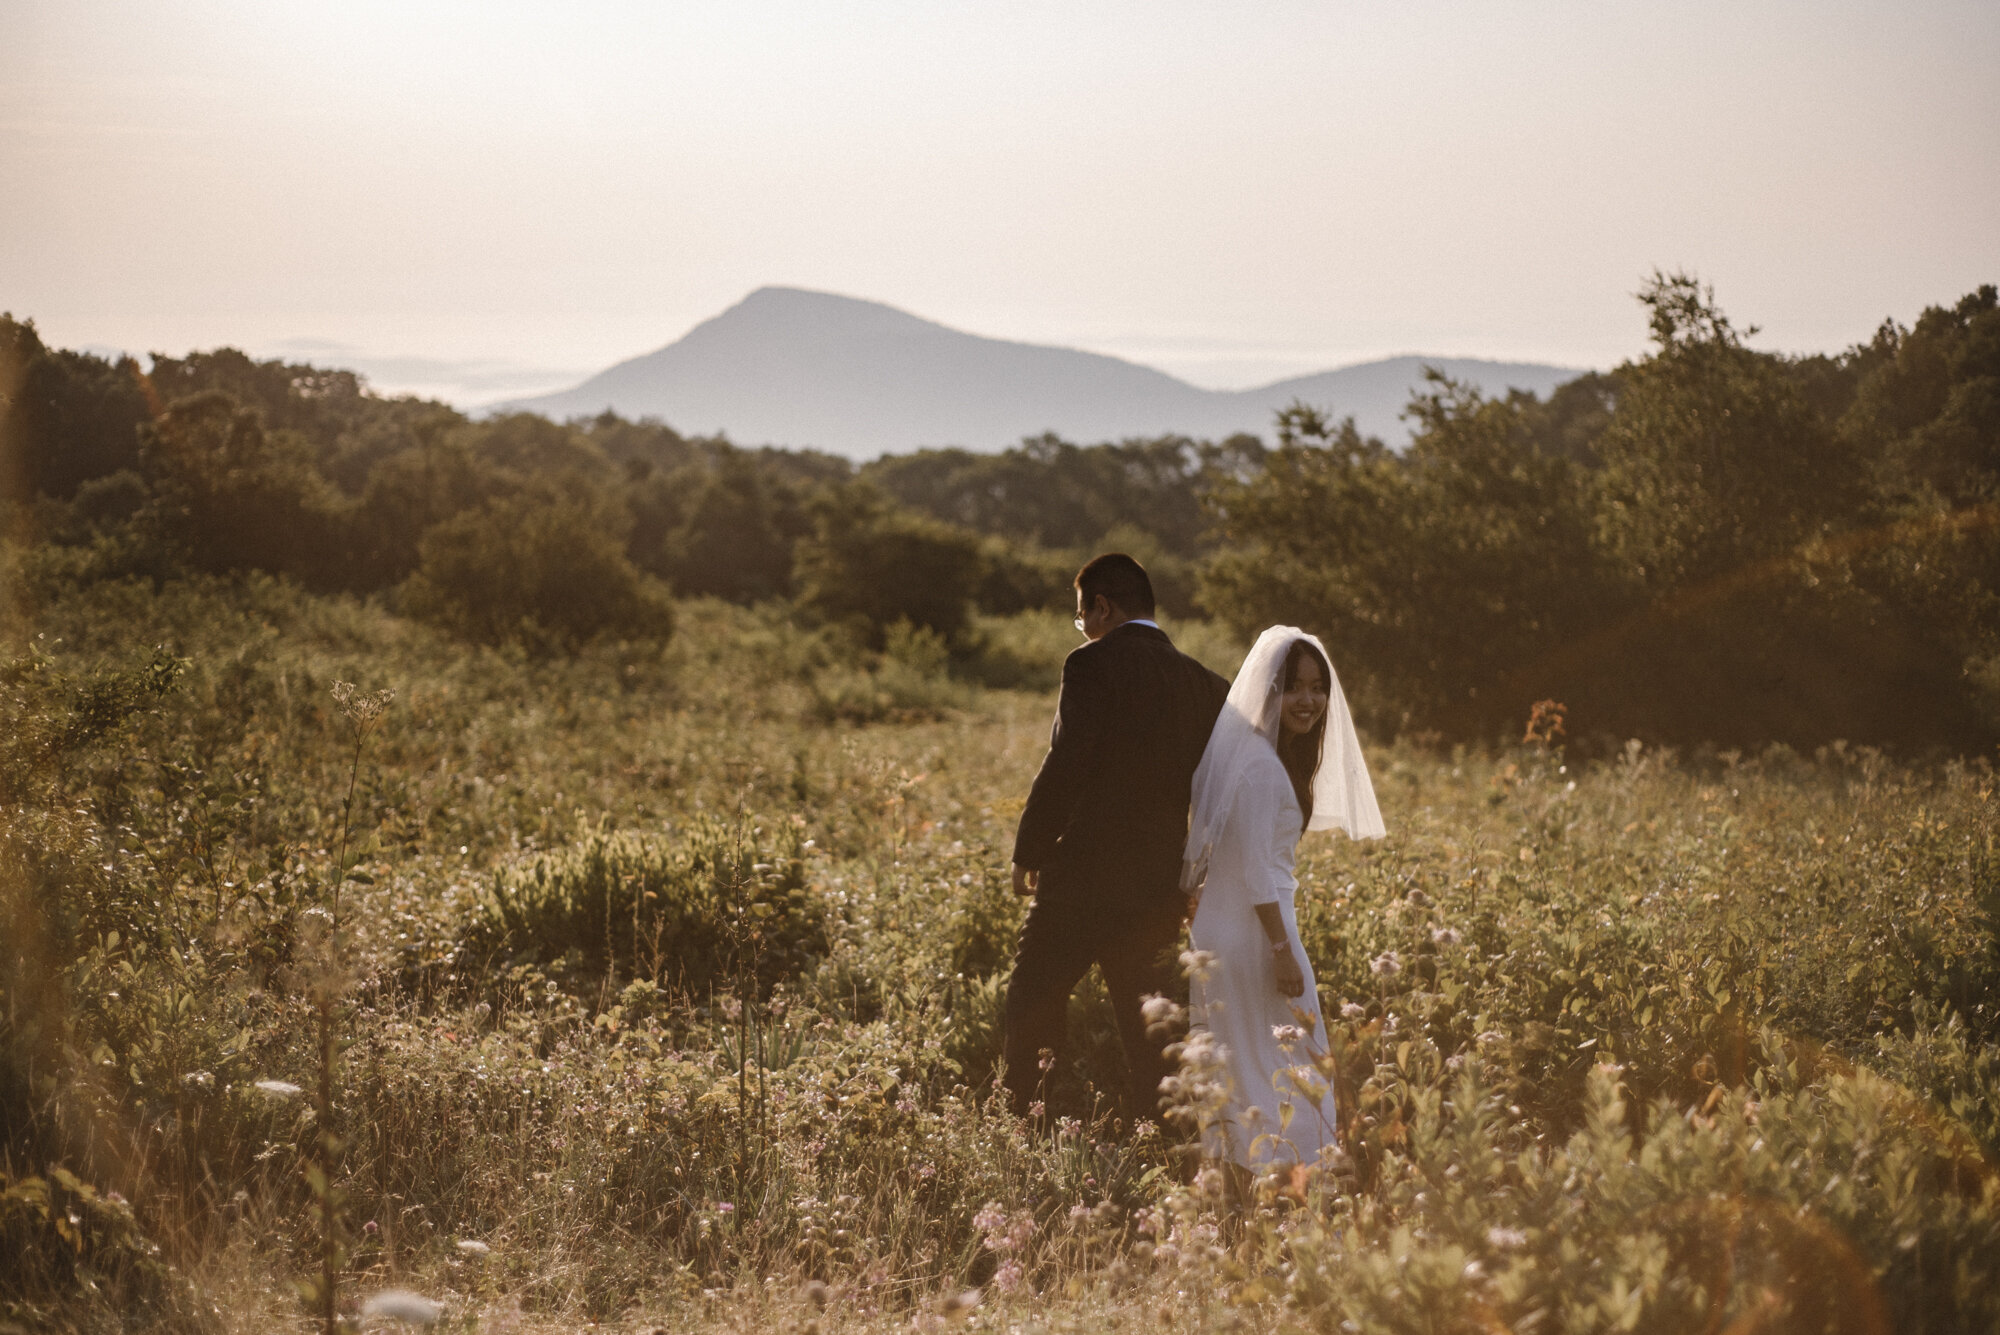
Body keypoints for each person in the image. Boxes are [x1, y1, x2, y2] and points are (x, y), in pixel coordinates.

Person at [1003, 553, 1230, 1122]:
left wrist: (1030, 850)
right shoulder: (1206, 684)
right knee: (1148, 1025)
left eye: (1082, 616)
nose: (1083, 628)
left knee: (1030, 1004)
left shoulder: (1091, 664)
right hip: (1157, 883)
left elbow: (1068, 763)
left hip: (1082, 877)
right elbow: (1218, 791)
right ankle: (1166, 1135)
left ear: (1102, 606)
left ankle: (1026, 1127)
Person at [1179, 626, 1384, 1181]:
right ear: (1270, 691)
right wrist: (1281, 948)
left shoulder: (1254, 758)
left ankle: (1246, 1193)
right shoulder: (1262, 768)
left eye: (1318, 688)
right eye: (1294, 687)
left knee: (1242, 1066)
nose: (1309, 701)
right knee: (1293, 1060)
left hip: (1229, 930)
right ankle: (1297, 1184)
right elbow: (1255, 871)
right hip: (1255, 935)